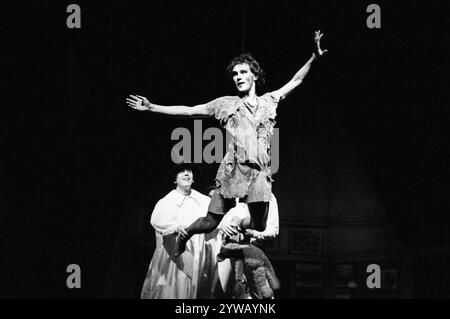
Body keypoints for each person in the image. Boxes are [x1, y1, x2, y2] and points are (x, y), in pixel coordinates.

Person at [127, 31, 327, 256]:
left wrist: (313, 57)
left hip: (259, 172)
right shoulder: (226, 104)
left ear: (254, 75)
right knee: (210, 222)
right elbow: (190, 111)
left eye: (243, 72)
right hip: (233, 170)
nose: (238, 77)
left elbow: (296, 80)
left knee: (259, 225)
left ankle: (237, 224)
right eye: (234, 74)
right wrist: (153, 107)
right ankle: (186, 234)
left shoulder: (269, 101)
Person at [140, 163, 210, 299]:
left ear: (193, 178)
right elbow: (157, 220)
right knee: (170, 291)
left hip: (194, 256)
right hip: (172, 256)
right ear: (175, 179)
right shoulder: (166, 201)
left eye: (189, 171)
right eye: (181, 172)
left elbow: (215, 218)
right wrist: (175, 227)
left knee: (189, 291)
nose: (186, 173)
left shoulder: (203, 201)